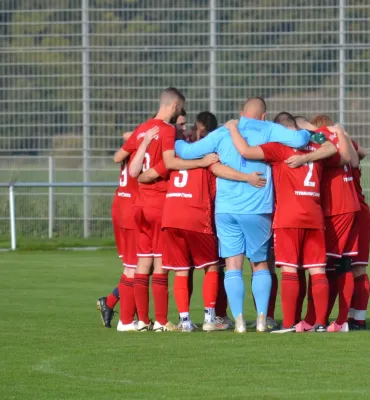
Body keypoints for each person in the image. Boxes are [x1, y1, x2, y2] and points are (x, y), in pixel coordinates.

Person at [173, 97, 311, 333]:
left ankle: (237, 320)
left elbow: (186, 150)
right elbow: (300, 138)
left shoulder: (223, 132)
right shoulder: (269, 129)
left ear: (241, 113)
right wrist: (308, 131)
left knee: (233, 265)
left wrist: (172, 139)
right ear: (264, 116)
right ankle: (260, 318)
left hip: (226, 209)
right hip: (258, 208)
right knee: (259, 266)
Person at [138, 111, 266, 332]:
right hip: (197, 217)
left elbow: (144, 176)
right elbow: (215, 190)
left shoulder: (175, 159)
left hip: (171, 217)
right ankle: (210, 318)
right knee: (212, 267)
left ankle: (185, 321)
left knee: (180, 270)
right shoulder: (209, 161)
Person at [226, 112, 338, 332]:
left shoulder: (279, 147)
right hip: (314, 215)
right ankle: (320, 323)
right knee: (317, 270)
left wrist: (232, 128)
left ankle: (289, 324)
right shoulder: (315, 143)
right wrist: (309, 148)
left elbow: (246, 151)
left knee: (289, 270)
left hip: (288, 217)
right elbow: (333, 147)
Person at [124, 87, 218, 332]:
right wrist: (200, 162)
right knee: (162, 265)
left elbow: (126, 163)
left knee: (141, 263)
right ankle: (162, 320)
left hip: (139, 204)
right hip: (159, 204)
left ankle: (141, 320)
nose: (182, 129)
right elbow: (169, 162)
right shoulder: (167, 131)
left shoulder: (143, 128)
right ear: (176, 107)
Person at [286, 115, 359, 332]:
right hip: (344, 206)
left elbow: (348, 159)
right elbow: (357, 157)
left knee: (323, 265)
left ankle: (323, 319)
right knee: (335, 264)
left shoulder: (318, 139)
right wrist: (341, 133)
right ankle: (327, 319)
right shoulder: (334, 136)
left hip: (337, 208)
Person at [97, 129, 148, 331]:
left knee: (139, 266)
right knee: (136, 267)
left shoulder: (136, 141)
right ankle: (126, 319)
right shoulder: (146, 144)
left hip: (122, 204)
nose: (182, 128)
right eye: (179, 124)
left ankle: (112, 304)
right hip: (131, 209)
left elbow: (127, 135)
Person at [348, 140, 370, 330]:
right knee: (354, 268)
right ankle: (353, 317)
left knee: (354, 268)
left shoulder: (330, 155)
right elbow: (362, 152)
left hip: (351, 215)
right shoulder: (348, 151)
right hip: (358, 213)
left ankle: (356, 318)